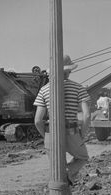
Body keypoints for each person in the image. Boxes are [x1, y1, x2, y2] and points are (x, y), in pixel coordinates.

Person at [33, 55, 90, 185]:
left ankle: (60, 180)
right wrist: (82, 134)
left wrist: (46, 135)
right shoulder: (78, 88)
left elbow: (37, 120)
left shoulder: (44, 90)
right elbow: (86, 115)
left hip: (50, 132)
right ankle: (67, 174)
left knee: (57, 167)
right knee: (82, 157)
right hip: (71, 132)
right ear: (69, 70)